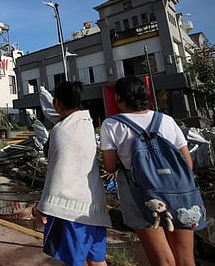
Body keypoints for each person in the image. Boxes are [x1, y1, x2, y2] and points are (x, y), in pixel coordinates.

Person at [99, 76, 195, 266]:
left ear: (118, 97)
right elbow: (187, 163)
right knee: (186, 258)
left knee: (163, 260)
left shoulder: (112, 125)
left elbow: (110, 167)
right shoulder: (167, 120)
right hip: (179, 193)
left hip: (140, 196)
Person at [34, 81, 112, 266]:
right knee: (97, 260)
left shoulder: (60, 131)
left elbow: (58, 173)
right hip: (94, 206)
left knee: (73, 260)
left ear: (57, 103)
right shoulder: (86, 123)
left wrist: (43, 206)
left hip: (70, 211)